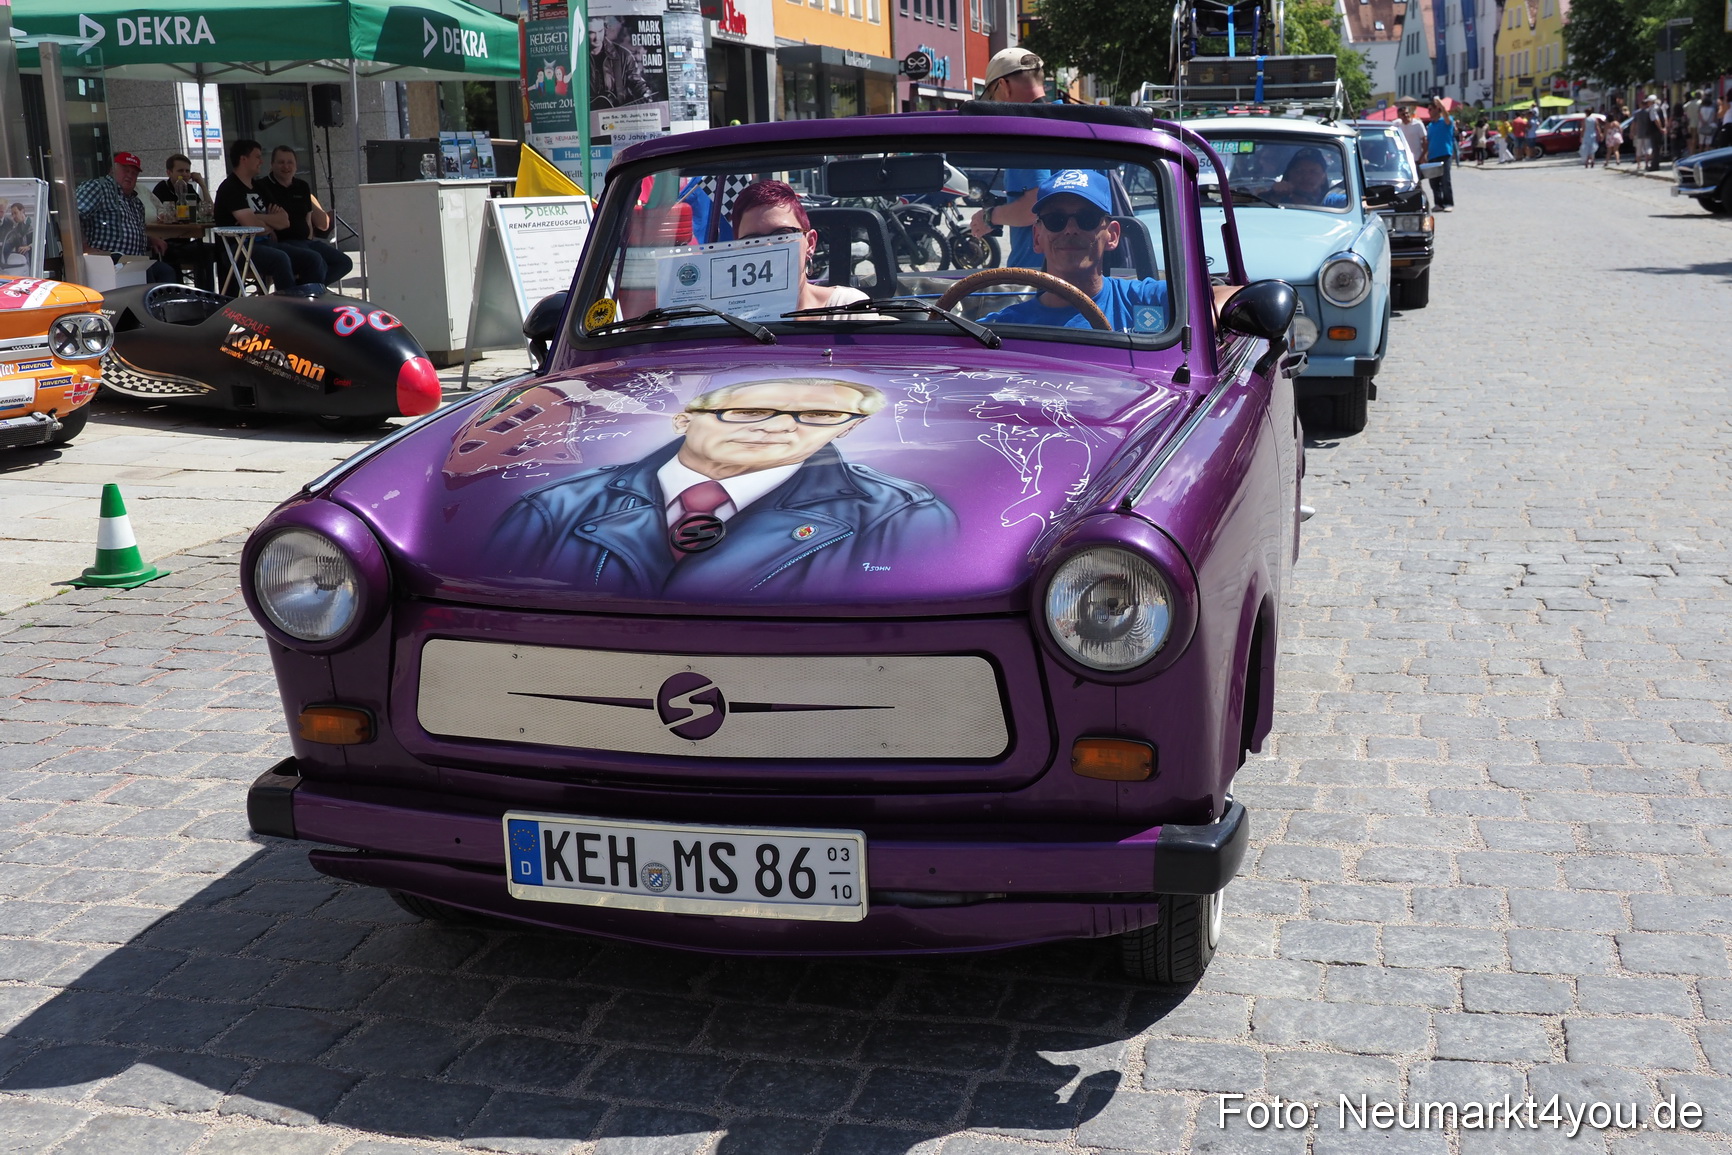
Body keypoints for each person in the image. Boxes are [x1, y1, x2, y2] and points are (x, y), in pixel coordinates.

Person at [490, 377, 957, 596]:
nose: (778, 427)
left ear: (846, 429)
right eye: (748, 411)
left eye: (820, 415)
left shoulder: (899, 517)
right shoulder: (554, 508)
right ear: (682, 420)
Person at [727, 180, 867, 313]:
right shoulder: (723, 318)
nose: (768, 247)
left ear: (810, 243)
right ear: (737, 251)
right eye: (753, 240)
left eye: (782, 234)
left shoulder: (850, 308)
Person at [968, 50, 1049, 269]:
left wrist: (989, 217)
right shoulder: (1079, 126)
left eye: (992, 96)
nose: (994, 104)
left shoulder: (1028, 133)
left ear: (1004, 86)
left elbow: (1036, 206)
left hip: (1034, 277)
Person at [212, 139, 325, 294]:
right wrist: (267, 223)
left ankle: (310, 300)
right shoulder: (230, 188)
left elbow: (284, 221)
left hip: (265, 244)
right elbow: (253, 227)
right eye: (257, 157)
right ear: (244, 159)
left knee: (313, 258)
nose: (261, 161)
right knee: (280, 258)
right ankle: (288, 304)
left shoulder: (259, 187)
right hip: (238, 248)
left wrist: (259, 218)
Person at [75, 152, 179, 285]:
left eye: (134, 173)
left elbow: (129, 232)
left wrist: (149, 239)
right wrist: (84, 247)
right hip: (107, 261)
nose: (130, 175)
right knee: (147, 277)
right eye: (125, 170)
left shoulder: (136, 202)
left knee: (167, 271)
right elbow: (73, 217)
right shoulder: (98, 187)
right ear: (112, 170)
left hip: (134, 261)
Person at [263, 145, 353, 287]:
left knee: (344, 262)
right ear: (272, 164)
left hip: (305, 241)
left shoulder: (302, 186)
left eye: (290, 162)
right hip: (282, 242)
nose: (286, 166)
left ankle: (304, 287)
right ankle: (310, 292)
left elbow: (308, 219)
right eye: (281, 162)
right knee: (316, 261)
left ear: (296, 166)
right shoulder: (263, 187)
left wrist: (309, 238)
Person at [590, 16, 653, 108]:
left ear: (605, 29)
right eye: (591, 33)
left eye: (600, 31)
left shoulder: (624, 55)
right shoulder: (576, 57)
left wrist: (644, 92)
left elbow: (636, 81)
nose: (597, 38)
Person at [1266, 149, 1344, 207]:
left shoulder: (1329, 201)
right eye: (1299, 171)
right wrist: (1274, 196)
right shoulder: (1276, 200)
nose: (1306, 177)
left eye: (1313, 172)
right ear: (1289, 175)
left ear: (1323, 178)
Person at [1424, 101, 1456, 211]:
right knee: (1434, 182)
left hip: (1444, 154)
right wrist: (1425, 154)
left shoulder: (1446, 121)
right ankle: (1438, 203)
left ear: (1437, 109)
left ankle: (1448, 203)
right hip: (1432, 155)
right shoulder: (1430, 125)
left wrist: (1441, 105)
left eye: (1430, 109)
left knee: (1445, 180)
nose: (1429, 112)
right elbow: (1428, 141)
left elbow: (1447, 117)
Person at [1631, 95, 1663, 171]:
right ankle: (1647, 163)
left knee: (1640, 149)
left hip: (1643, 132)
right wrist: (1663, 127)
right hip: (1649, 133)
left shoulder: (1639, 112)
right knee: (1649, 149)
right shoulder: (1657, 109)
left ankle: (1640, 164)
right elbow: (1663, 118)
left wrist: (1632, 132)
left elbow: (1634, 123)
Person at [1397, 102, 1428, 168]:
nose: (1406, 115)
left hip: (1417, 159)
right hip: (1404, 160)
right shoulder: (1398, 125)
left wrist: (1423, 156)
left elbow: (1425, 141)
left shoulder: (1418, 124)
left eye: (1407, 113)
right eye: (1403, 114)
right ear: (1399, 116)